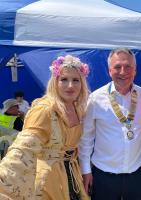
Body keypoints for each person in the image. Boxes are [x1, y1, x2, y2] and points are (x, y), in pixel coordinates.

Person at [0, 55, 90, 200]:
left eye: (76, 80)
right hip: (48, 183)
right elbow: (22, 150)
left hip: (73, 178)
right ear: (55, 82)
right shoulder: (44, 110)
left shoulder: (78, 108)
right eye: (64, 79)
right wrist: (4, 182)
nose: (70, 86)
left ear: (82, 83)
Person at [79, 48, 141, 200]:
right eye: (117, 67)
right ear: (109, 70)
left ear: (135, 70)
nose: (123, 71)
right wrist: (86, 170)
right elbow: (86, 138)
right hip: (104, 177)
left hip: (138, 176)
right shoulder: (95, 99)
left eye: (128, 67)